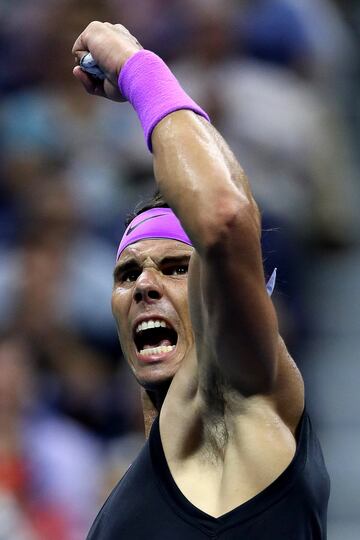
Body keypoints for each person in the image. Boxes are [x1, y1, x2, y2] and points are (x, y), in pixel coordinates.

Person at [72, 21, 330, 539]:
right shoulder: (139, 480)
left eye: (174, 268)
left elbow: (225, 214)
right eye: (127, 274)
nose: (144, 285)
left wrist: (135, 65)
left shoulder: (237, 409)